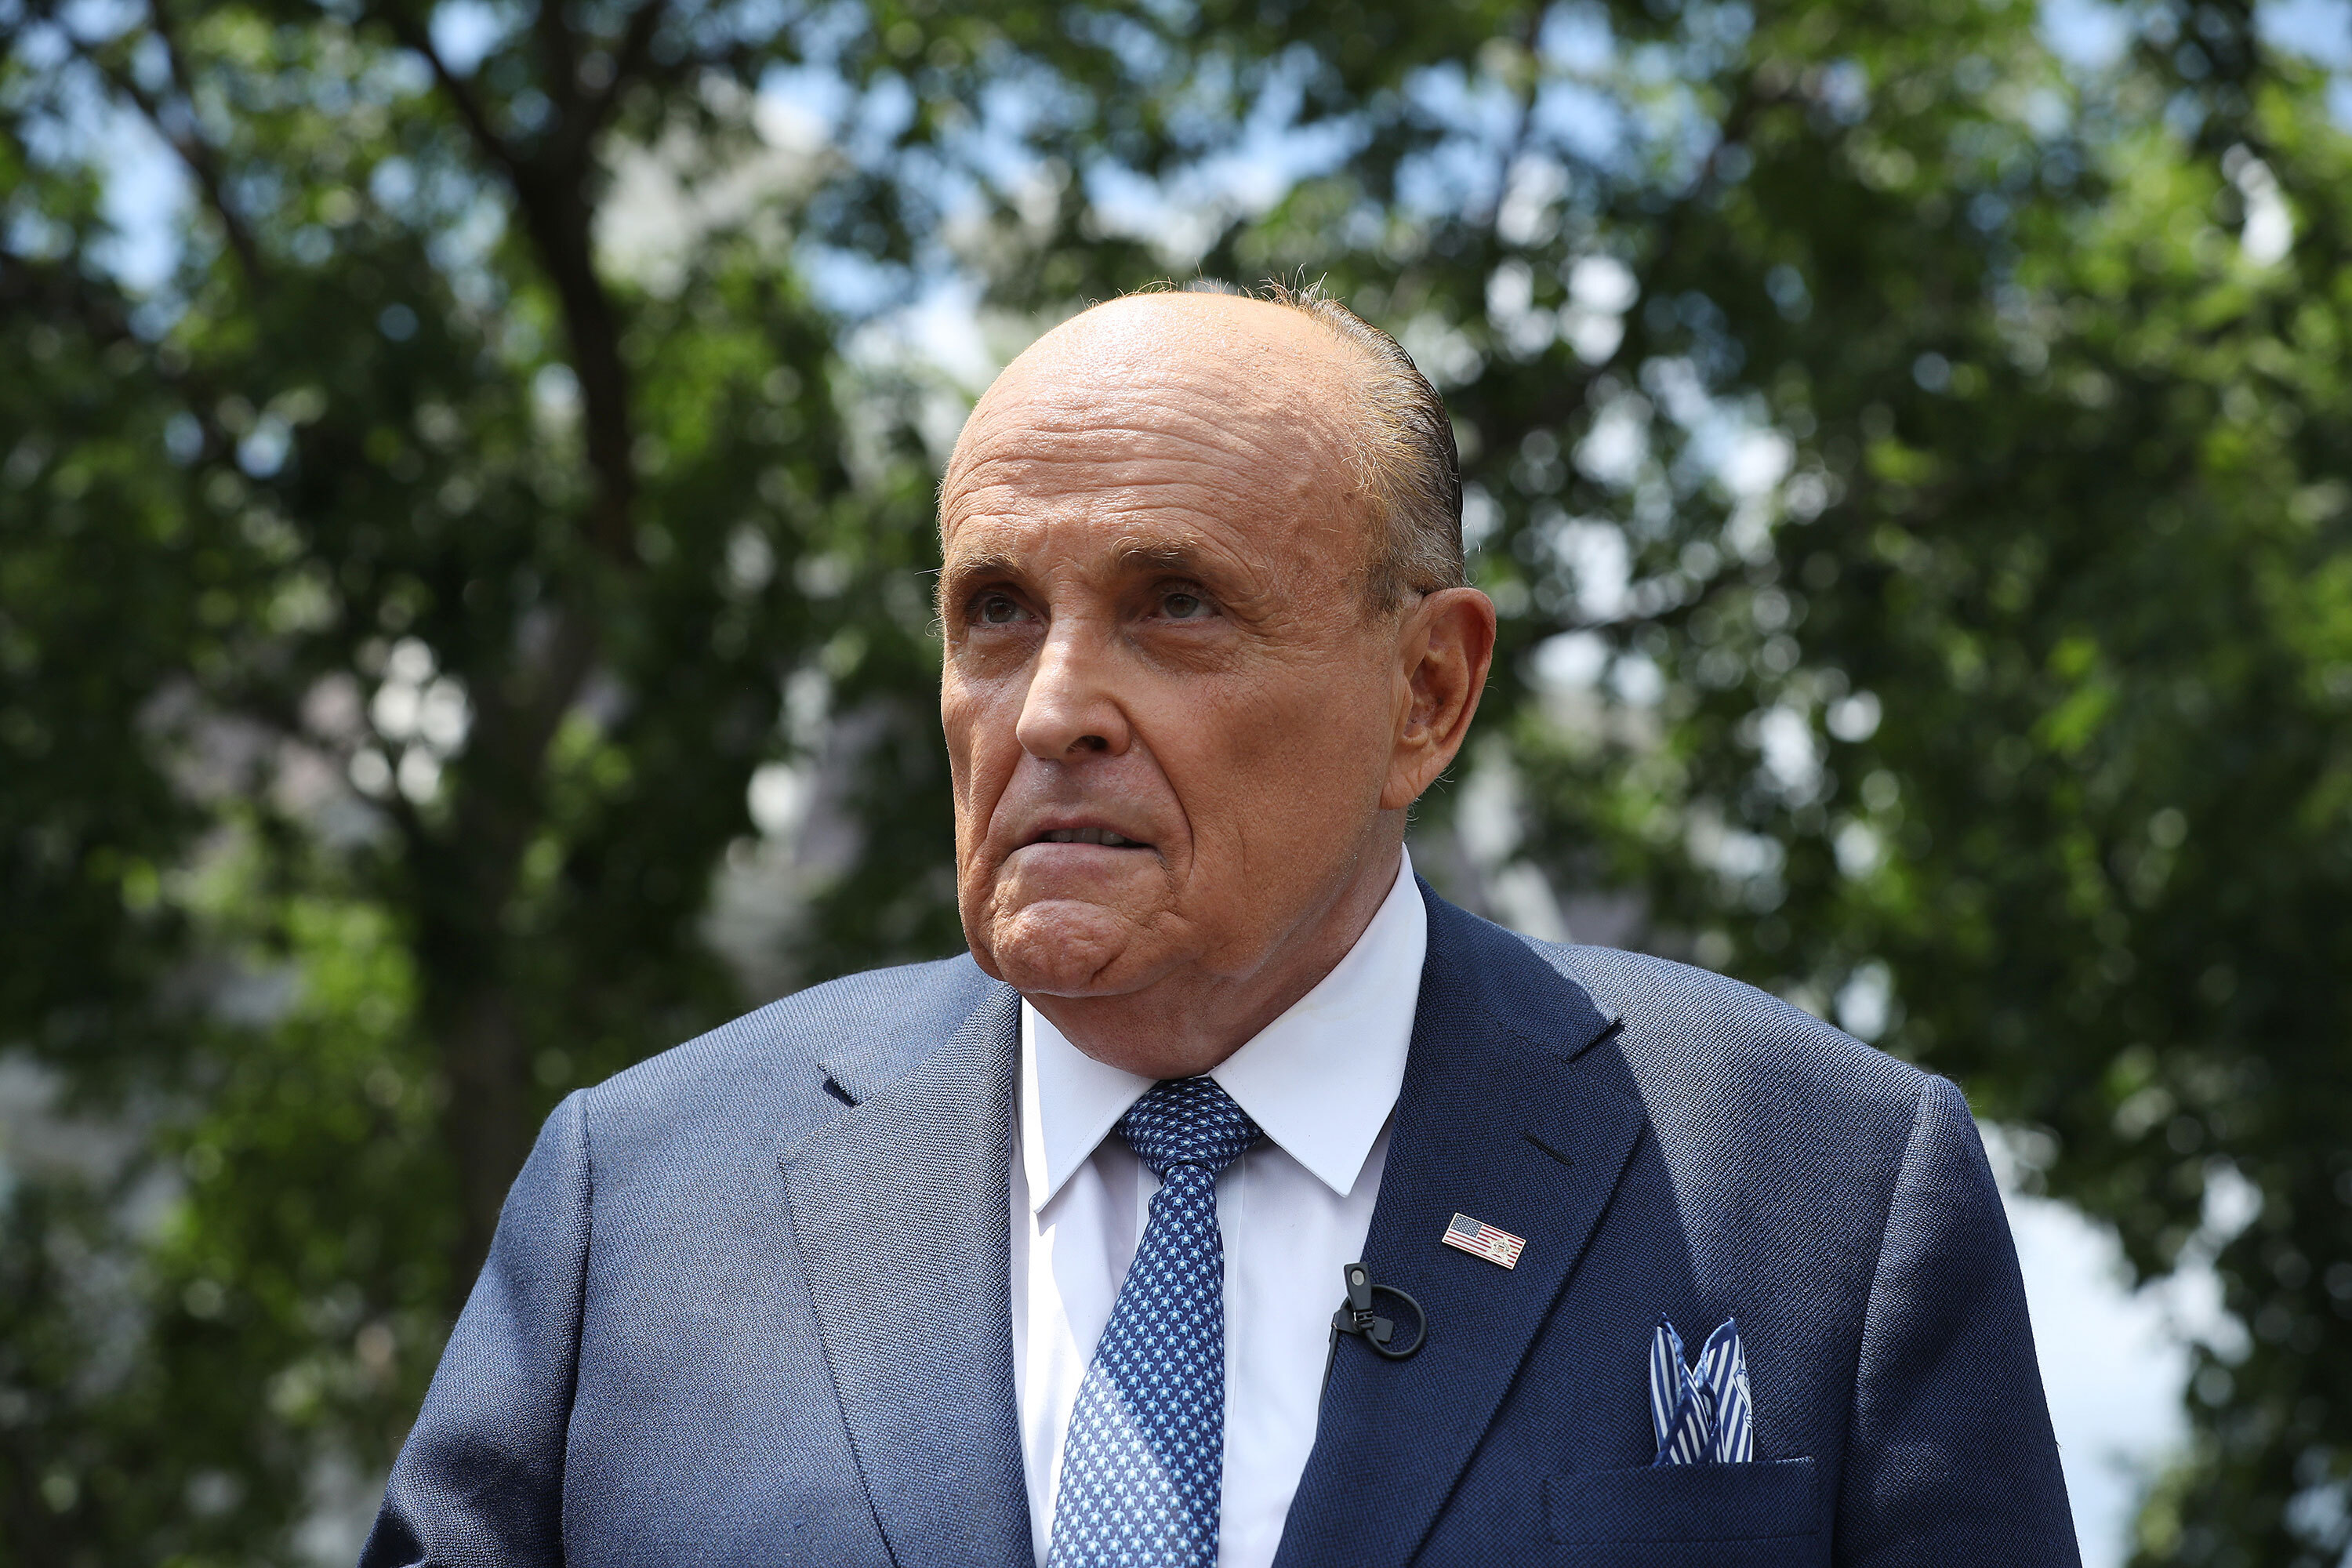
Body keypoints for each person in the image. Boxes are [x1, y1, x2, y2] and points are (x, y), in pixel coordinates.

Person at [361, 284, 2077, 1568]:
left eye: (1174, 605)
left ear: (1427, 688)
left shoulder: (1815, 1188)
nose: (1051, 711)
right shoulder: (641, 1209)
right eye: (995, 612)